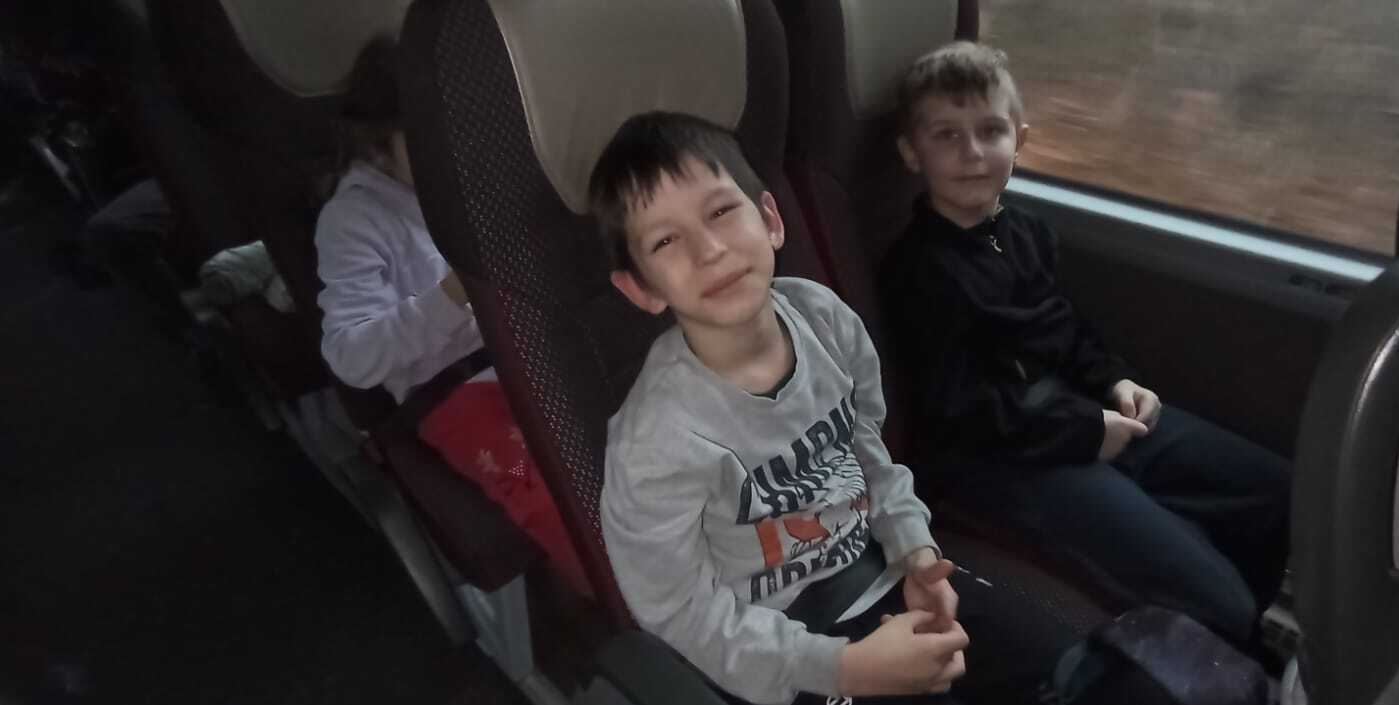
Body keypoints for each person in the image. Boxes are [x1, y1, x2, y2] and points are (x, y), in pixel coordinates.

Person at [595, 112, 1073, 705]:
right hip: (782, 646)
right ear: (641, 289)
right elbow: (679, 609)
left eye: (721, 211)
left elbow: (865, 445)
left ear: (771, 220)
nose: (710, 249)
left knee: (1069, 662)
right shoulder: (654, 440)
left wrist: (915, 549)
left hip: (881, 569)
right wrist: (842, 669)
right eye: (665, 241)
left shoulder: (824, 318)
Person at [879, 41, 1291, 651]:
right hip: (999, 460)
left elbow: (1066, 331)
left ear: (1019, 139)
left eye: (990, 131)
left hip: (1075, 412)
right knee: (1217, 597)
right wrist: (1085, 430)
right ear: (912, 153)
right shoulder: (918, 272)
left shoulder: (1025, 232)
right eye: (946, 136)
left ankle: (1244, 640)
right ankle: (1218, 655)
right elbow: (959, 410)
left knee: (1273, 490)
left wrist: (1114, 382)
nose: (973, 152)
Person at [314, 38, 589, 597]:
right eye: (431, 143)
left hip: (533, 357)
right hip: (456, 394)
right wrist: (453, 294)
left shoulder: (482, 181)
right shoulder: (353, 221)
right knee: (550, 496)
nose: (455, 157)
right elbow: (350, 355)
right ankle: (632, 608)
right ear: (380, 145)